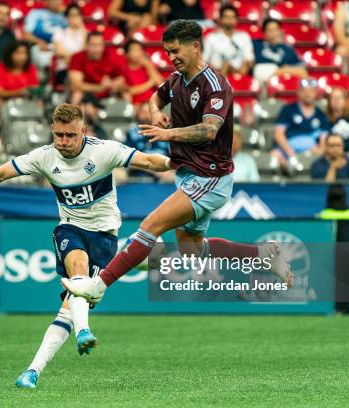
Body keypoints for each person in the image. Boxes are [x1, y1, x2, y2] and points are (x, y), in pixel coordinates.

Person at [0, 103, 172, 388]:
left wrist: (178, 163)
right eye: (59, 135)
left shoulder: (104, 151)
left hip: (105, 235)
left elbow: (149, 162)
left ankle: (32, 372)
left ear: (83, 131)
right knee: (79, 269)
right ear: (52, 130)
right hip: (70, 227)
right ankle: (84, 330)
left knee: (68, 308)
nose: (63, 142)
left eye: (70, 135)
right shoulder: (45, 157)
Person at [61, 20, 292, 306]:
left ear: (195, 46)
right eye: (168, 52)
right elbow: (154, 98)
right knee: (192, 250)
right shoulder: (177, 79)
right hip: (188, 173)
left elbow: (209, 129)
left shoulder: (216, 85)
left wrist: (167, 132)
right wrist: (155, 112)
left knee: (149, 226)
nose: (172, 58)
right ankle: (263, 254)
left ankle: (99, 285)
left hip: (210, 178)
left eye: (175, 51)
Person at [272, 78, 330, 170]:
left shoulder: (321, 114)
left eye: (311, 91)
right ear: (298, 92)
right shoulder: (288, 109)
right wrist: (290, 153)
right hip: (288, 149)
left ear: (315, 93)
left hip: (312, 151)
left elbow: (323, 141)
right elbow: (278, 134)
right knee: (274, 156)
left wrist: (319, 151)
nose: (307, 94)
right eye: (304, 91)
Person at [68, 31, 126, 104]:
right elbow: (77, 84)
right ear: (86, 45)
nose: (96, 49)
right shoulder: (77, 58)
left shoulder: (113, 56)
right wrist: (100, 87)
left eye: (99, 45)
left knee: (126, 93)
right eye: (93, 45)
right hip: (87, 93)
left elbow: (122, 78)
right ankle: (74, 114)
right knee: (77, 94)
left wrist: (113, 84)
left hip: (109, 92)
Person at [125, 103, 173, 181]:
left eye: (149, 112)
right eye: (143, 112)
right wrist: (152, 169)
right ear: (137, 114)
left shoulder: (165, 132)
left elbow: (174, 157)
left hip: (165, 174)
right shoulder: (132, 133)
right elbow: (127, 159)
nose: (147, 116)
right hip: (139, 176)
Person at [202, 5, 254, 76]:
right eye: (226, 17)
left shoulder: (244, 36)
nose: (230, 19)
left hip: (239, 73)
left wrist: (245, 66)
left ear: (237, 19)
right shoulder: (211, 37)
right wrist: (215, 71)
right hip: (216, 73)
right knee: (225, 65)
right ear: (221, 19)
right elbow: (203, 61)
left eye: (233, 17)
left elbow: (250, 59)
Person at [253, 18, 307, 83]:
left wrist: (286, 68)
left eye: (275, 29)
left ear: (280, 31)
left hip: (280, 76)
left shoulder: (287, 49)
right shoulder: (256, 44)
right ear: (264, 32)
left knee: (302, 72)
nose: (273, 33)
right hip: (261, 73)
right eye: (270, 30)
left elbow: (299, 65)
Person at [22, 0, 66, 70]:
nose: (56, 2)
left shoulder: (65, 16)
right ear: (46, 2)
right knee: (44, 61)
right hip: (40, 47)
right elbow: (26, 34)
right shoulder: (35, 13)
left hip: (61, 48)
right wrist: (39, 42)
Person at [51, 4, 87, 86]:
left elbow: (87, 52)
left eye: (77, 15)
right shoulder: (60, 32)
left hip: (83, 69)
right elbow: (59, 51)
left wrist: (83, 29)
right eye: (72, 15)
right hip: (65, 68)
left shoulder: (86, 34)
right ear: (66, 18)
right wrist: (77, 59)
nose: (75, 18)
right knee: (72, 77)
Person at [123, 39, 164, 106]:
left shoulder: (148, 66)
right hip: (136, 104)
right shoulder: (124, 69)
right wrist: (150, 83)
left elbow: (161, 85)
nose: (139, 52)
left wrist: (148, 65)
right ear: (127, 54)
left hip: (153, 102)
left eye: (140, 50)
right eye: (135, 50)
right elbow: (129, 91)